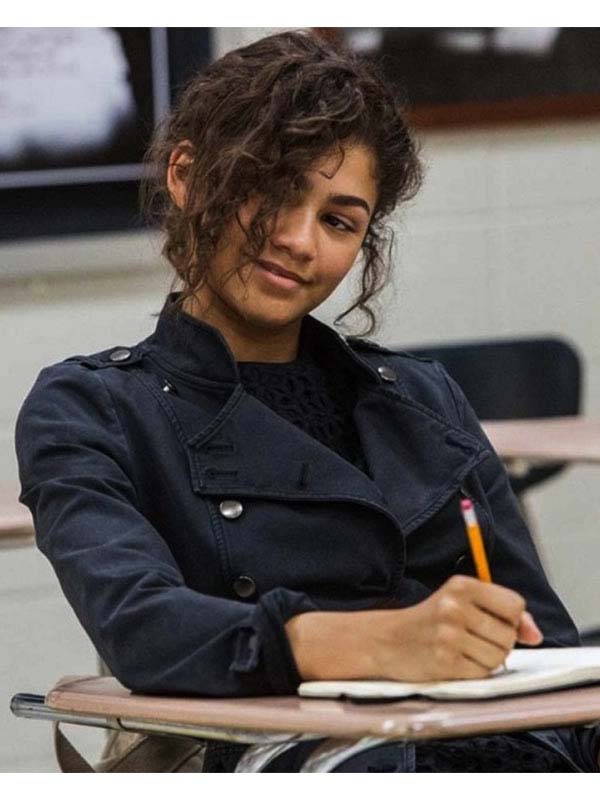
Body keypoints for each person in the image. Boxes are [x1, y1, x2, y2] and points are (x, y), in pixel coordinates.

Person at [14, 29, 600, 773]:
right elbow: (144, 627)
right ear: (186, 176)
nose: (298, 240)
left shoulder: (423, 399)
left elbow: (547, 648)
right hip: (275, 757)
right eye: (274, 191)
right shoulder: (89, 408)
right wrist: (376, 642)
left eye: (338, 220)